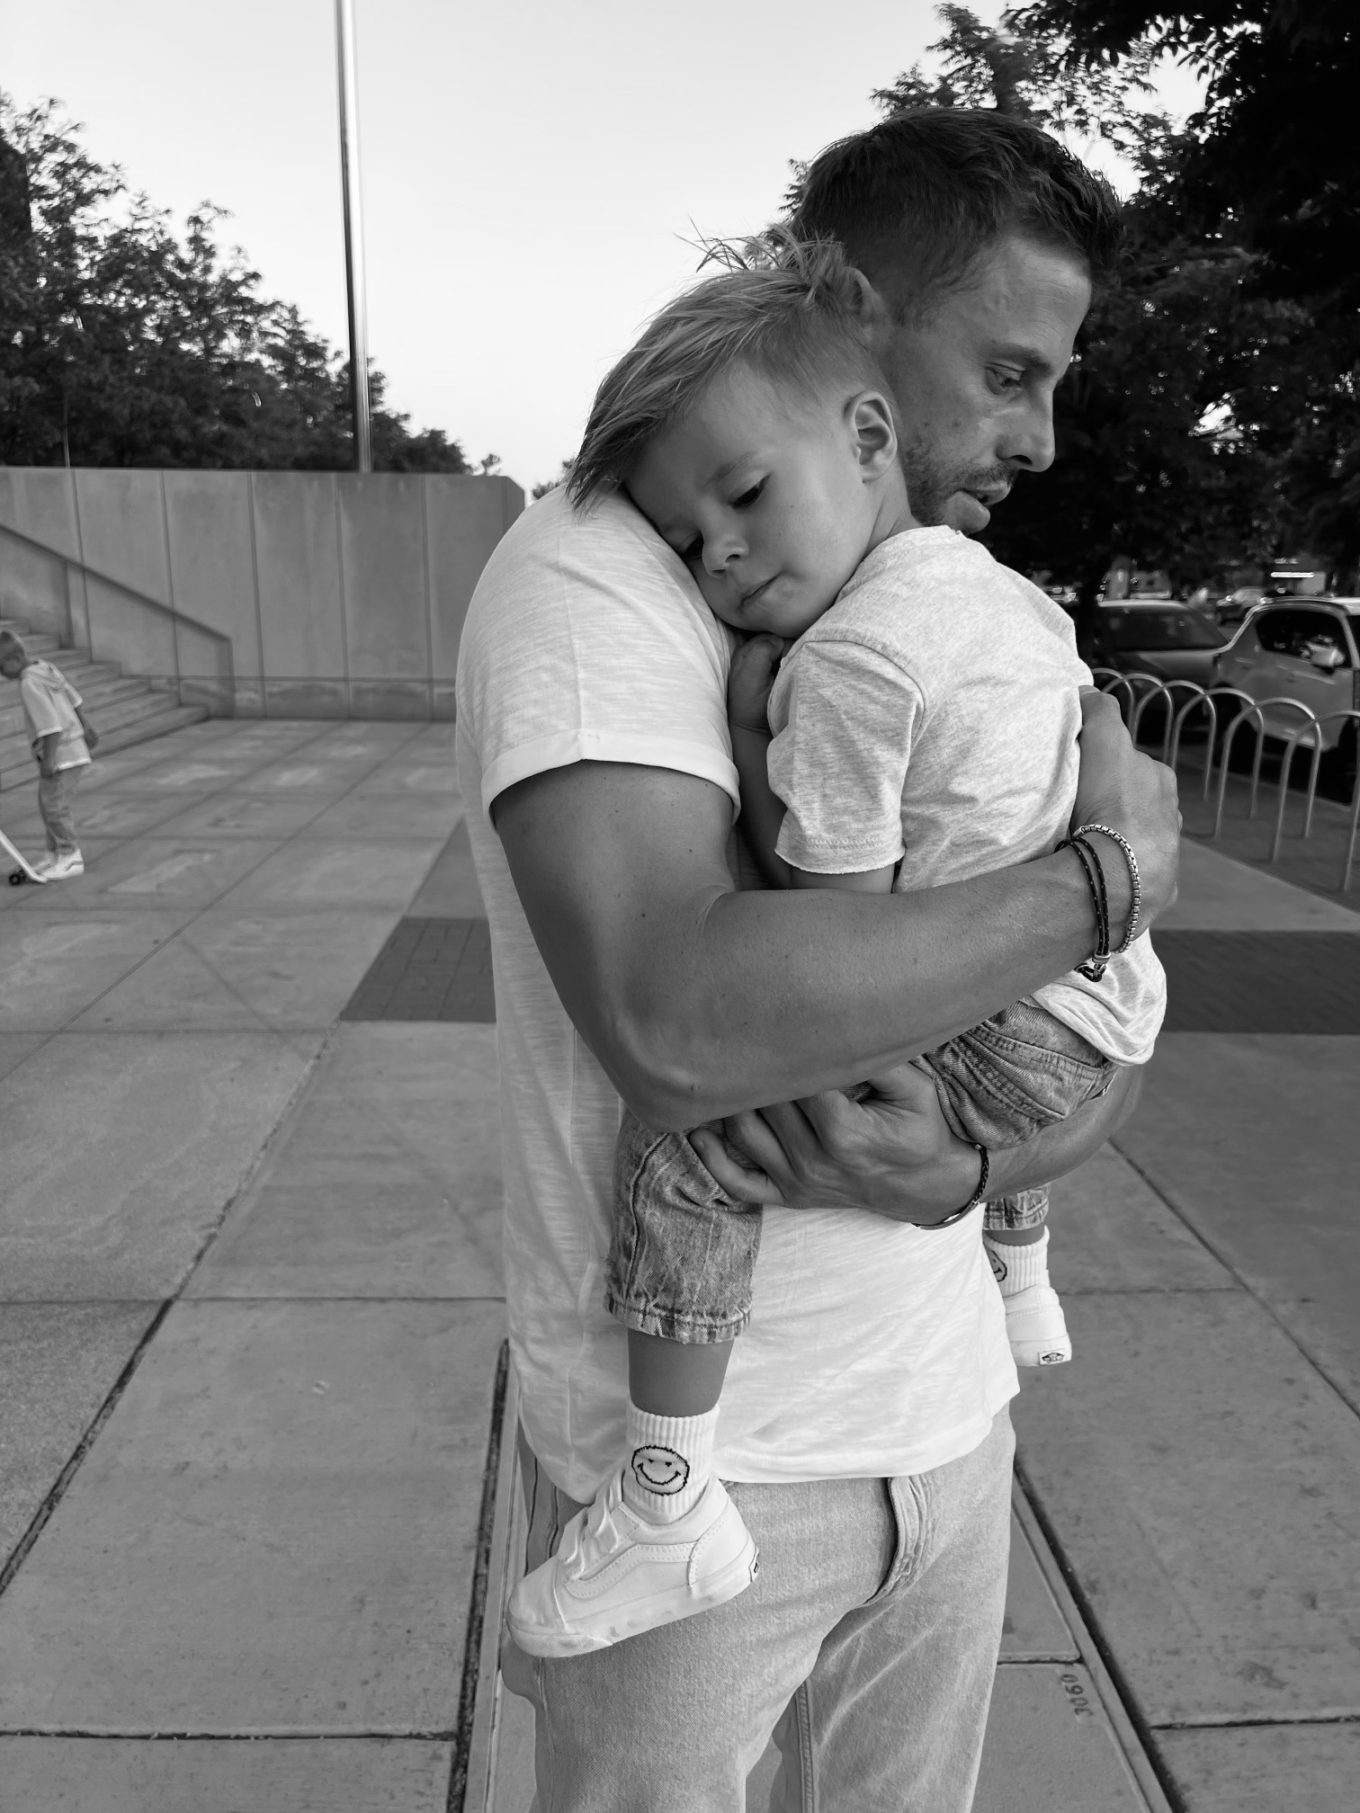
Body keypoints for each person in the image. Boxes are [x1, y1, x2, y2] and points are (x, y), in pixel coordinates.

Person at [455, 108, 1180, 1813]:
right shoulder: (602, 579)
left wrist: (997, 1153)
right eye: (1007, 372)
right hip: (717, 1482)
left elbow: (1099, 1022)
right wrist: (1103, 881)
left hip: (942, 1424)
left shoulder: (942, 596)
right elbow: (681, 1022)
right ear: (856, 313)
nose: (1042, 434)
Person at [0, 628, 98, 879]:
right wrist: (86, 727)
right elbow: (73, 698)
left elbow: (50, 725)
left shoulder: (29, 682)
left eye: (0, 667)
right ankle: (54, 854)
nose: (1, 674)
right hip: (74, 749)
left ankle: (70, 855)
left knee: (54, 808)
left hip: (61, 754)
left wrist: (50, 759)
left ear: (13, 660)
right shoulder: (46, 669)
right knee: (49, 806)